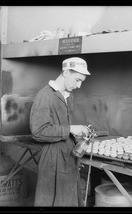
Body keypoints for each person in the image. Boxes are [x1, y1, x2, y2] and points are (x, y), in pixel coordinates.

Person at [29, 57, 91, 206]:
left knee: (68, 200)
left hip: (67, 156)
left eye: (81, 81)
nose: (79, 85)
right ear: (66, 72)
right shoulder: (46, 96)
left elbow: (60, 125)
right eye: (77, 79)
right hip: (53, 159)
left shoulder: (67, 96)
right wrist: (70, 129)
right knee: (53, 200)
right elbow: (38, 131)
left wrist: (76, 133)